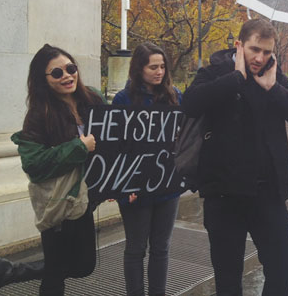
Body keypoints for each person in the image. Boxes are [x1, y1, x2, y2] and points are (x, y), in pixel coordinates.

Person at [182, 18, 288, 296]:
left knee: (283, 270)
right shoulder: (216, 70)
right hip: (224, 194)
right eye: (255, 50)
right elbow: (190, 103)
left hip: (267, 194)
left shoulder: (272, 76)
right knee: (228, 280)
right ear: (239, 45)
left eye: (267, 52)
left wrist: (274, 88)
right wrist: (236, 78)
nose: (260, 58)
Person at [11, 44, 104, 296]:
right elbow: (33, 164)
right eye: (57, 73)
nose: (67, 76)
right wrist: (78, 148)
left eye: (70, 68)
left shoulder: (92, 100)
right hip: (57, 199)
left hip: (85, 197)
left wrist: (119, 183)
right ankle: (12, 272)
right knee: (55, 276)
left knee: (84, 265)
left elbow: (114, 142)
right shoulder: (39, 114)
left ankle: (11, 272)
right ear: (43, 80)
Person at [112, 42, 182, 296]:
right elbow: (116, 147)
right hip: (135, 187)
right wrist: (122, 186)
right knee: (136, 247)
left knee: (161, 247)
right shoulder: (124, 98)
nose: (159, 72)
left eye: (162, 66)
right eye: (153, 67)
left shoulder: (175, 94)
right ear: (139, 68)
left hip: (167, 184)